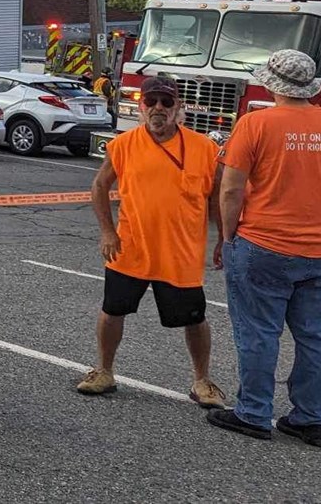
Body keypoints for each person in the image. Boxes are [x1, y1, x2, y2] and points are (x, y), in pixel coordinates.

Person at [209, 50, 321, 446]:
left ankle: (254, 412)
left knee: (259, 332)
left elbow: (231, 189)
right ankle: (312, 418)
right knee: (316, 334)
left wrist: (229, 236)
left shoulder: (256, 124)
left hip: (265, 242)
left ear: (271, 83)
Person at [77, 75, 228, 409]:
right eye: (152, 102)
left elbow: (218, 196)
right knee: (112, 310)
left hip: (181, 253)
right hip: (130, 247)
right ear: (142, 106)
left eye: (166, 102)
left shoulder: (203, 148)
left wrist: (223, 239)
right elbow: (100, 186)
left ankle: (202, 380)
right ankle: (104, 371)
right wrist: (107, 231)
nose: (159, 108)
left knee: (194, 317)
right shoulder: (124, 144)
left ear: (179, 108)